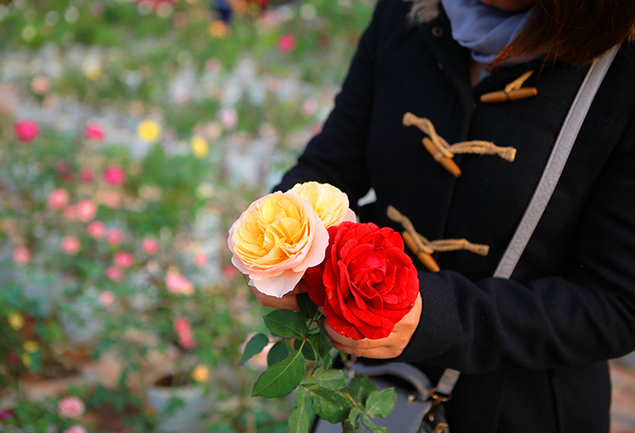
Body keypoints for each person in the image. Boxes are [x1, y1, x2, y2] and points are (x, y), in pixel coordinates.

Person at [249, 0, 635, 431]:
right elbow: (333, 163)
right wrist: (282, 237)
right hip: (371, 387)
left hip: (523, 407)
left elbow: (619, 303)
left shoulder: (622, 71)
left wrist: (437, 318)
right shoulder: (409, 13)